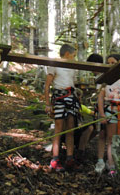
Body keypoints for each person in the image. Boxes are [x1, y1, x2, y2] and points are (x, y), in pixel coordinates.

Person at [45, 44, 81, 172]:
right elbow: (47, 85)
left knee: (70, 128)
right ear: (66, 54)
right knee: (59, 129)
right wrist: (48, 104)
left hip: (71, 98)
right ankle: (55, 159)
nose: (74, 58)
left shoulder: (72, 67)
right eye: (73, 55)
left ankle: (69, 158)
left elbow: (72, 83)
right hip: (59, 97)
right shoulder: (54, 65)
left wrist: (77, 94)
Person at [96, 53, 120, 176]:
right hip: (109, 110)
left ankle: (116, 163)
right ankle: (110, 164)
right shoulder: (104, 78)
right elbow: (100, 98)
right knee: (109, 138)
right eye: (108, 63)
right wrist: (102, 114)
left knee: (119, 138)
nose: (110, 65)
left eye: (113, 63)